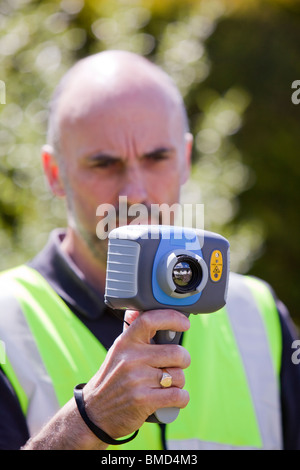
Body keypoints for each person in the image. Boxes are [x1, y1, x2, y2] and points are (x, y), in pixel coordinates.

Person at [0, 50, 299, 451]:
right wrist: (84, 425)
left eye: (157, 157)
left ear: (186, 160)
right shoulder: (6, 324)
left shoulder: (257, 314)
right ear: (55, 174)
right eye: (104, 163)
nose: (135, 193)